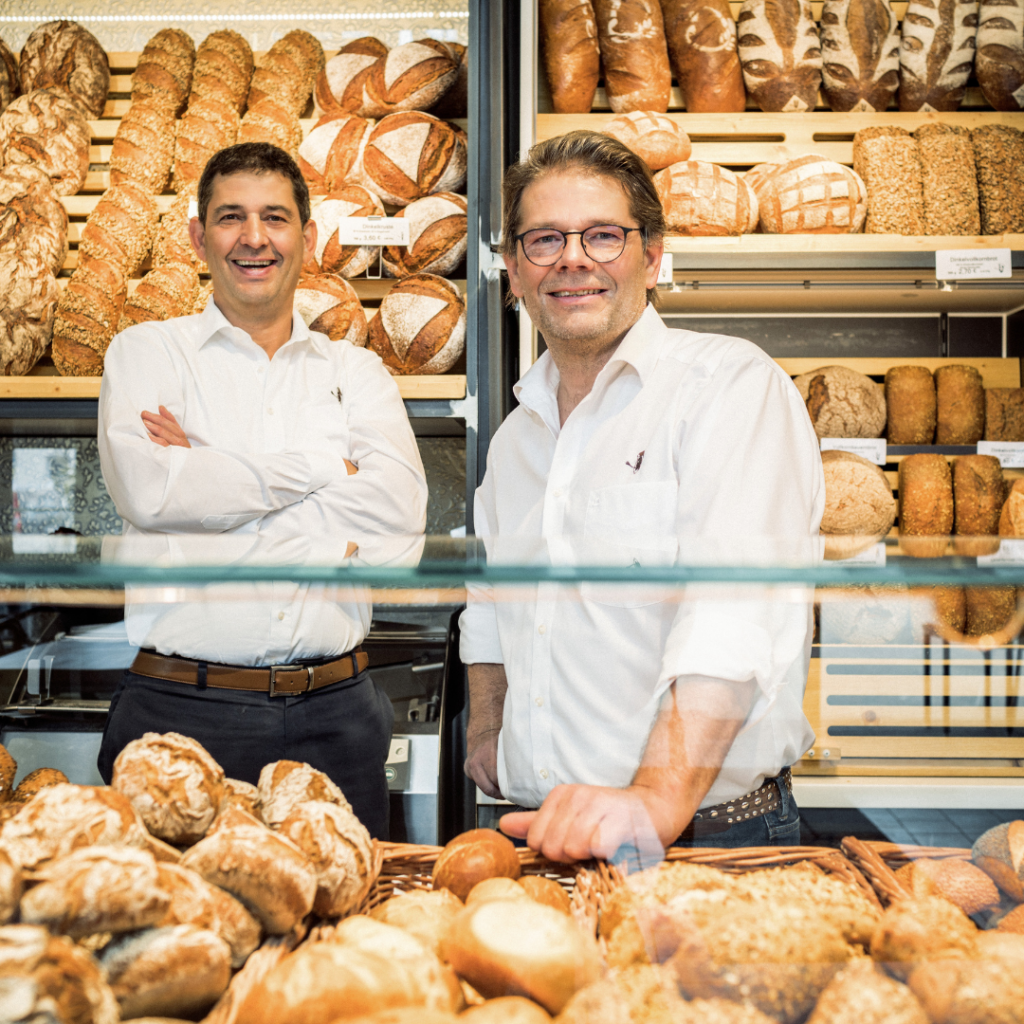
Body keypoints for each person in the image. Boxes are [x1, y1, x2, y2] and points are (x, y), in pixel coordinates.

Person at [459, 131, 824, 862]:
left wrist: (656, 800)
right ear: (512, 270)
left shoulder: (727, 388)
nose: (573, 259)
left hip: (704, 841)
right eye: (543, 240)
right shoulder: (516, 439)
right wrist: (488, 736)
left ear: (652, 257)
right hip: (546, 834)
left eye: (603, 236)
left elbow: (734, 613)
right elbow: (491, 608)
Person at [97, 143, 427, 838]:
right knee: (172, 938)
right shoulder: (146, 352)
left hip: (338, 713)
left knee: (341, 936)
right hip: (179, 712)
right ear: (198, 236)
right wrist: (323, 472)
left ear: (307, 240)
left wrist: (215, 473)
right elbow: (152, 495)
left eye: (274, 218)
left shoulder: (357, 370)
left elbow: (396, 533)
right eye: (230, 217)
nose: (254, 238)